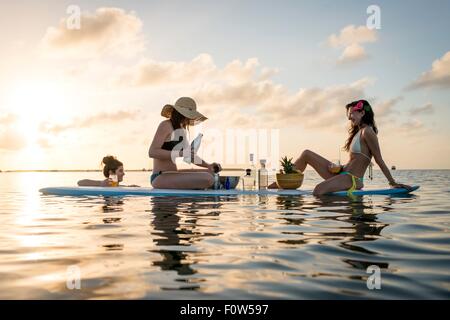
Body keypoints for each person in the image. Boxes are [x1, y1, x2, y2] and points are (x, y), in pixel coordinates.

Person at [269, 100, 412, 196]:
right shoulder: (358, 132)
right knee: (306, 154)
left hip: (352, 179)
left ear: (362, 113)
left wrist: (392, 182)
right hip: (342, 173)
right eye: (349, 115)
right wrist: (338, 167)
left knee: (318, 190)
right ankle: (281, 182)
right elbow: (355, 159)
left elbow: (379, 159)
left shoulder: (368, 132)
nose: (349, 118)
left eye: (352, 114)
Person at [148, 97, 222, 189]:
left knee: (211, 173)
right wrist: (181, 153)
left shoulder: (182, 130)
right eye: (188, 116)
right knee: (208, 178)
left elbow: (189, 156)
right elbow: (152, 152)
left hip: (173, 174)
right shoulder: (165, 125)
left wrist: (208, 165)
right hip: (160, 176)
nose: (189, 119)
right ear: (180, 114)